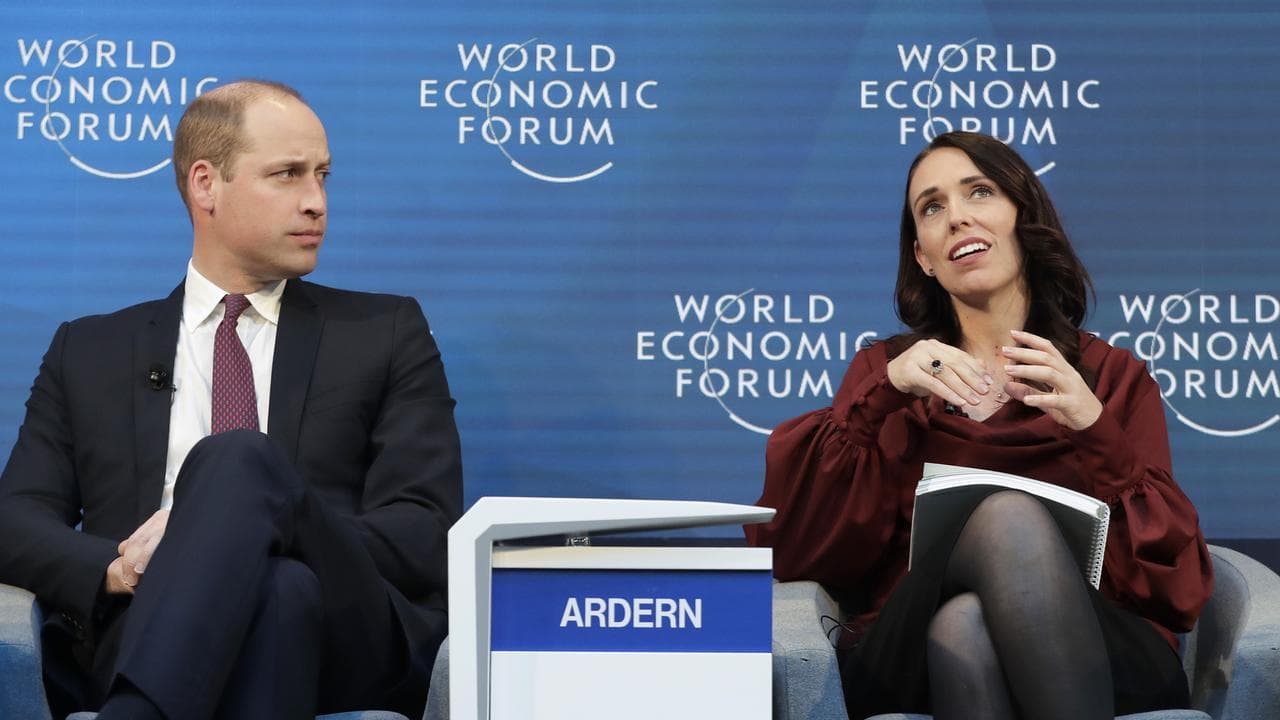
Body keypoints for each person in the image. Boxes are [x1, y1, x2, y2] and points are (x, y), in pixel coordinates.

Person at [0, 80, 462, 720]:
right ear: (205, 185)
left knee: (240, 462)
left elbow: (423, 527)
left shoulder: (385, 332)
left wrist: (252, 520)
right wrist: (119, 569)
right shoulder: (89, 350)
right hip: (148, 623)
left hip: (349, 637)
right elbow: (15, 521)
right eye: (288, 175)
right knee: (278, 591)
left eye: (323, 176)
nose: (317, 202)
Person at [745, 131, 1213, 720]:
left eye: (980, 192)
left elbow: (1176, 590)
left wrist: (1094, 428)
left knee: (966, 628)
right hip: (905, 652)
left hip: (1099, 645)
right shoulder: (886, 378)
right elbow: (800, 549)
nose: (957, 217)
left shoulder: (1112, 379)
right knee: (1003, 522)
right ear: (924, 256)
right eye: (932, 207)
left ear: (1022, 217)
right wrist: (880, 397)